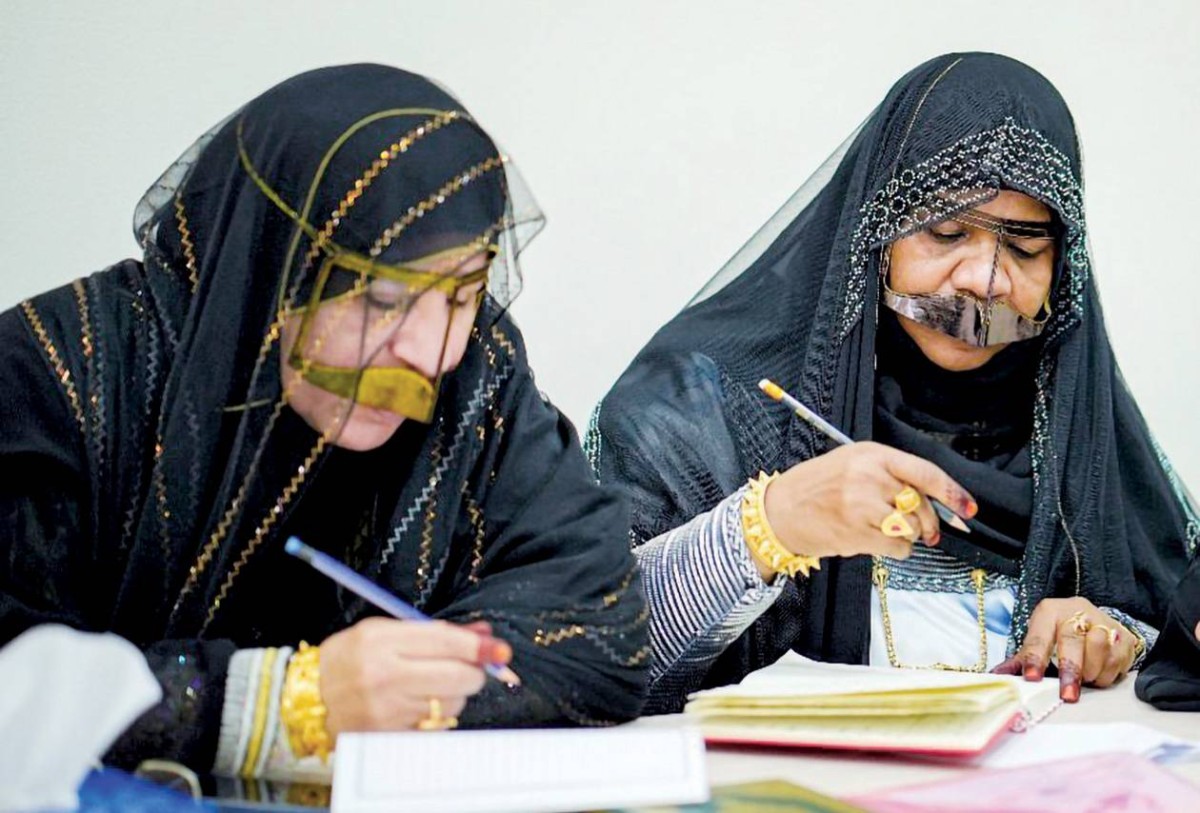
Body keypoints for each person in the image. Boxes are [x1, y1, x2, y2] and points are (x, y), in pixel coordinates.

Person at [0, 64, 648, 778]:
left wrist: (400, 691)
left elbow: (600, 624)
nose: (427, 353)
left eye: (461, 296)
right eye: (382, 298)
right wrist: (277, 704)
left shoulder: (476, 375)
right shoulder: (55, 371)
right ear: (267, 261)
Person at [587, 52, 1196, 713]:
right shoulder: (702, 408)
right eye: (946, 232)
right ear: (874, 237)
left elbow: (1170, 615)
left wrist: (1113, 637)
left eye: (1025, 248)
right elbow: (581, 655)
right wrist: (769, 526)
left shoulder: (1087, 432)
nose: (986, 281)